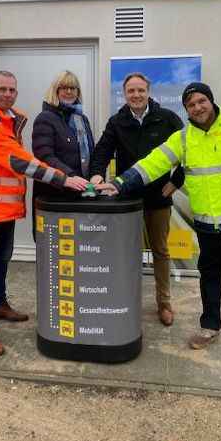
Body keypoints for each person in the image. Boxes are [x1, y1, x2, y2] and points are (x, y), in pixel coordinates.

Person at [97, 82, 221, 360]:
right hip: (207, 221)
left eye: (201, 101)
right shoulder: (182, 138)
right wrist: (120, 183)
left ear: (211, 101)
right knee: (210, 275)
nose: (197, 107)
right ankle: (209, 327)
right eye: (191, 104)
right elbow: (153, 162)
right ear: (186, 110)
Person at [0, 70, 89, 356]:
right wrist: (63, 178)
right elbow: (19, 162)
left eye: (12, 90)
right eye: (2, 89)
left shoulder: (7, 121)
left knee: (1, 260)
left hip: (3, 207)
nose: (8, 94)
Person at [90, 73, 184, 326]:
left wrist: (177, 181)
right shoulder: (116, 122)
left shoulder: (167, 119)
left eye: (140, 90)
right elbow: (102, 151)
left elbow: (190, 151)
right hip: (126, 200)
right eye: (130, 91)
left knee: (161, 251)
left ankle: (163, 302)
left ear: (148, 92)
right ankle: (124, 298)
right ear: (124, 94)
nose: (136, 95)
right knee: (125, 252)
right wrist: (97, 173)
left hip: (158, 198)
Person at [31, 70, 94, 229]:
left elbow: (89, 153)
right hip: (54, 196)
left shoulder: (82, 119)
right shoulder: (45, 118)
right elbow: (44, 156)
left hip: (80, 194)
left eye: (73, 88)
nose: (69, 92)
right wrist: (70, 176)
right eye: (64, 87)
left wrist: (95, 176)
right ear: (55, 90)